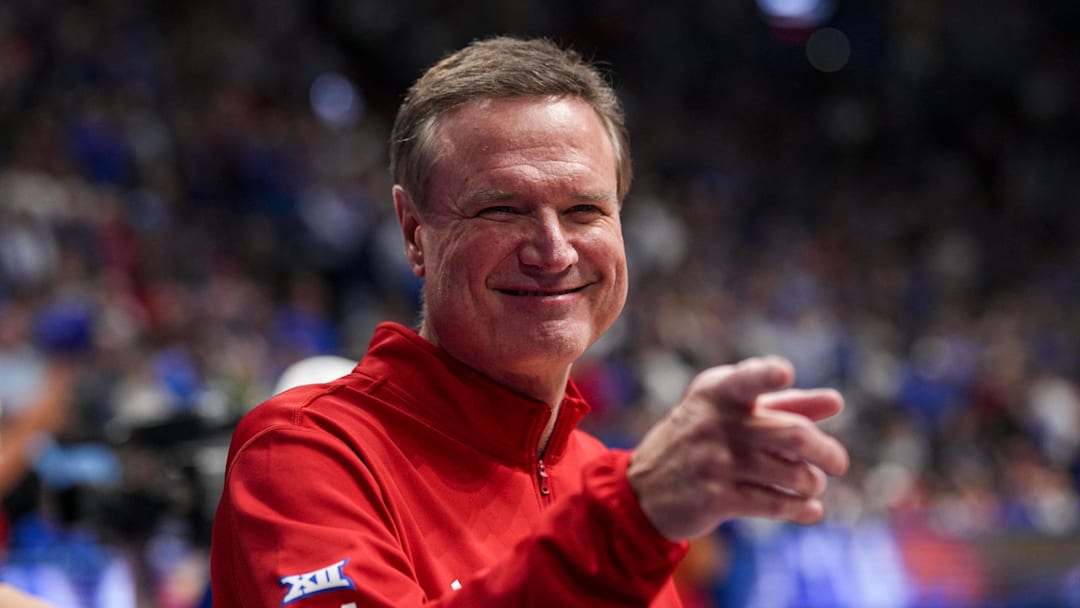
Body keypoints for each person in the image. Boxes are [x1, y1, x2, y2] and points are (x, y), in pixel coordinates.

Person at [209, 36, 849, 607]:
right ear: (414, 234)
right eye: (502, 209)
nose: (554, 251)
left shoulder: (601, 480)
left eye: (584, 209)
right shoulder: (304, 453)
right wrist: (627, 523)